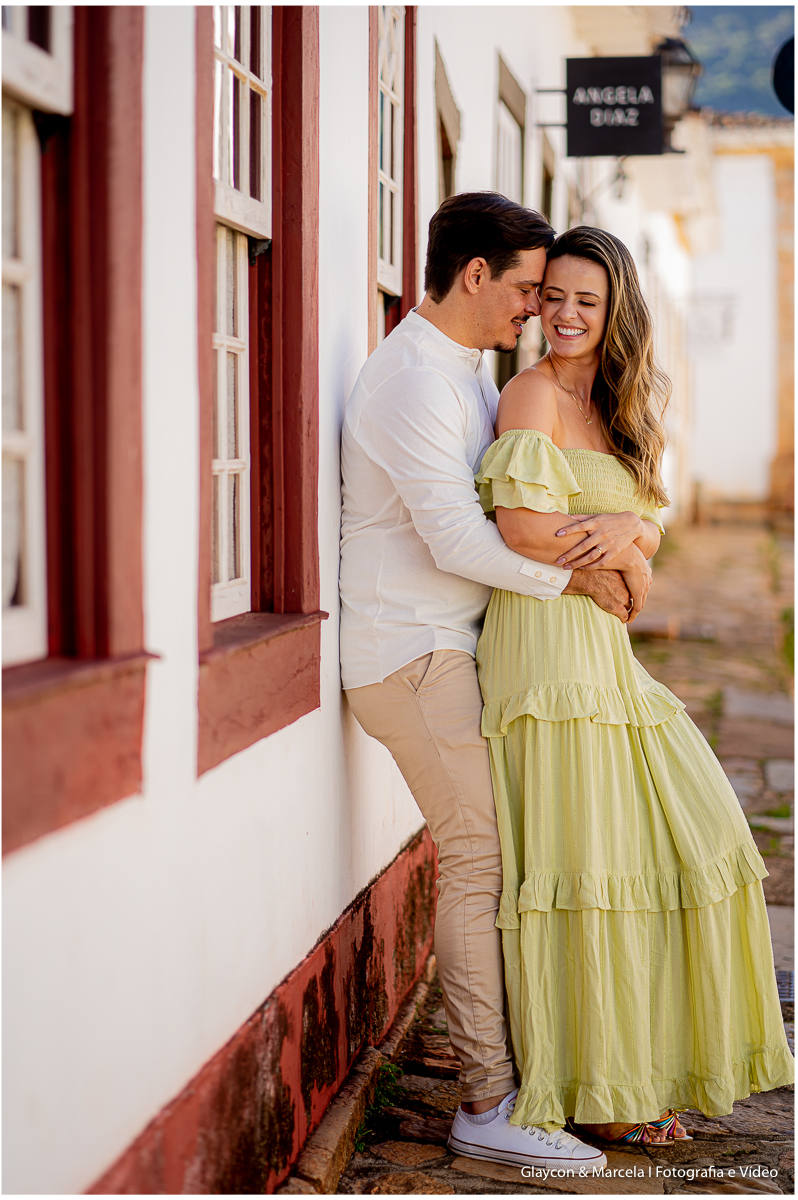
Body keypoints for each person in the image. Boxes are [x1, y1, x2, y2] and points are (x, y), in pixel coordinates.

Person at [474, 225, 794, 1148]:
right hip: (543, 653)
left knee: (685, 839)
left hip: (602, 654)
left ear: (616, 311)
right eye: (555, 297)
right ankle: (597, 1090)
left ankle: (635, 1062)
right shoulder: (528, 394)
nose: (566, 315)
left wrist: (631, 537)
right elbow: (525, 530)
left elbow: (647, 525)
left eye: (588, 300)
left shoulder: (616, 405)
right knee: (584, 863)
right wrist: (617, 546)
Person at [340, 193, 637, 1171]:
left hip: (453, 653)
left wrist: (621, 534)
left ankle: (530, 1077)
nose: (531, 307)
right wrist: (580, 575)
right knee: (478, 861)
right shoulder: (413, 385)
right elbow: (459, 537)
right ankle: (486, 1103)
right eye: (521, 288)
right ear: (473, 275)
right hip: (411, 655)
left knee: (503, 860)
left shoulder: (463, 375)